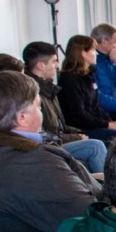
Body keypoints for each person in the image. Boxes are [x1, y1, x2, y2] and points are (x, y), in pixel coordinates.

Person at [0, 71, 101, 232]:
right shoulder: (34, 163)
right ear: (21, 118)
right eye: (38, 107)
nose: (41, 113)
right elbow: (90, 224)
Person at [22, 41, 108, 173]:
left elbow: (60, 124)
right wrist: (75, 137)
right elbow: (42, 133)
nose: (57, 66)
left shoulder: (49, 89)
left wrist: (77, 133)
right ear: (40, 65)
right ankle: (111, 190)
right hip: (48, 146)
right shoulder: (33, 93)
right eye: (54, 61)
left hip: (59, 139)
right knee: (96, 146)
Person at [57, 35, 116, 145]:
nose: (96, 53)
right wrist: (107, 124)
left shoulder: (88, 74)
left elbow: (95, 106)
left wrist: (110, 121)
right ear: (83, 53)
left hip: (94, 123)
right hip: (81, 128)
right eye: (93, 50)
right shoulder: (69, 79)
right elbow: (79, 116)